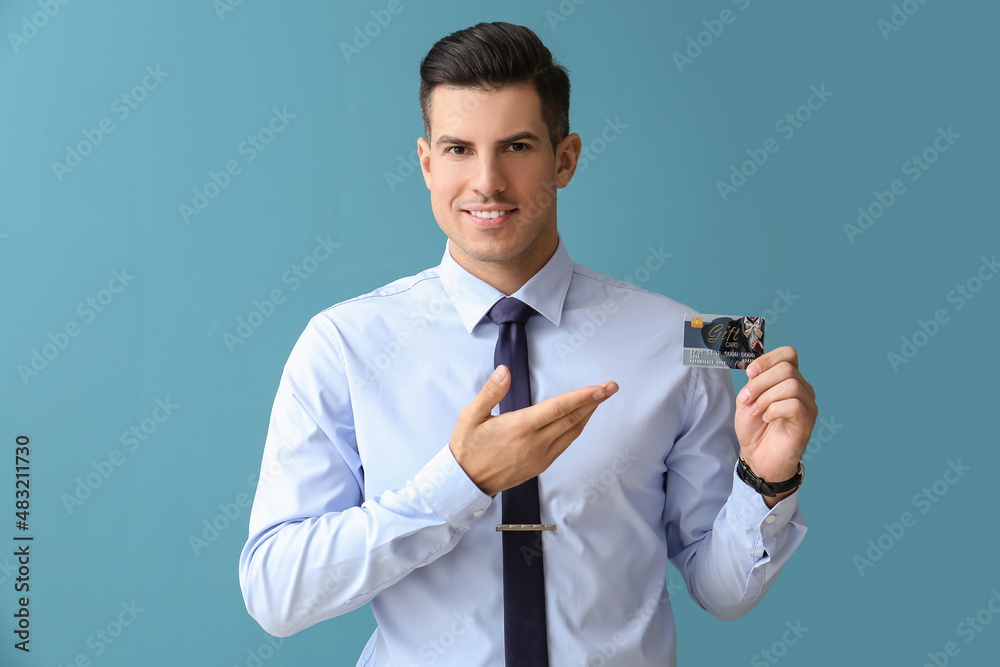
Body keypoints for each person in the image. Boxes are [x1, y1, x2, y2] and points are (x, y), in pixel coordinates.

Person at [239, 21, 817, 667]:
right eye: (458, 149)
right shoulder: (343, 345)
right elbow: (276, 592)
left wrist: (766, 480)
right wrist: (460, 482)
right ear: (426, 162)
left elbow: (723, 590)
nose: (487, 181)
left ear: (565, 158)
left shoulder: (681, 340)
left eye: (516, 146)